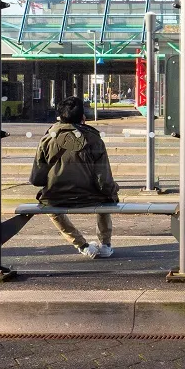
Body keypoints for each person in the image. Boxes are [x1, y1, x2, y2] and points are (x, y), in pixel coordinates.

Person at [30, 96, 119, 259]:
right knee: (106, 196)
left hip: (57, 197)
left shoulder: (47, 140)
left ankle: (82, 245)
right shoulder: (94, 139)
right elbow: (103, 179)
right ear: (83, 118)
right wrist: (112, 192)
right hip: (90, 196)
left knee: (48, 204)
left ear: (60, 117)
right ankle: (105, 245)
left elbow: (36, 179)